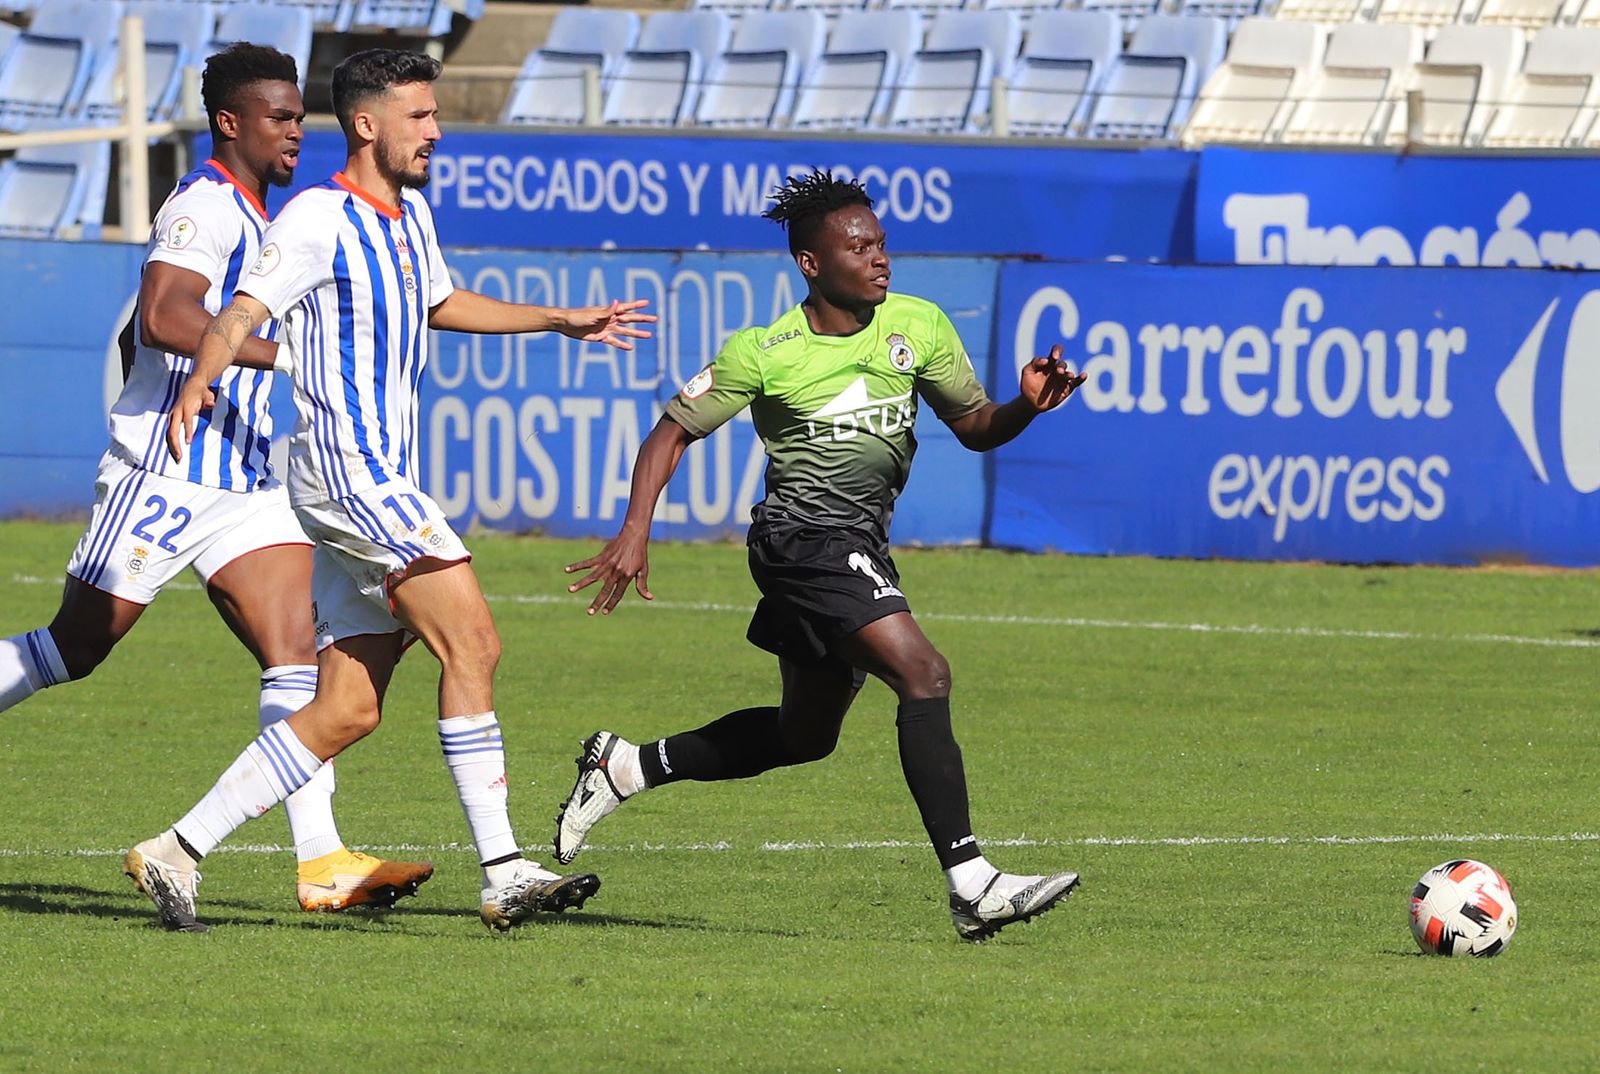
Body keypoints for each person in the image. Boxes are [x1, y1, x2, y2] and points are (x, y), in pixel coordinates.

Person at [123, 48, 657, 933]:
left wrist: (557, 319)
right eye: (420, 116)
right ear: (367, 125)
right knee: (473, 643)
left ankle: (178, 849)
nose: (437, 132)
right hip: (348, 472)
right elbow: (240, 311)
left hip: (377, 479)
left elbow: (440, 301)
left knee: (348, 706)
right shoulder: (316, 219)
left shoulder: (409, 216)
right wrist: (196, 382)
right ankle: (505, 870)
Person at [555, 169, 1087, 943]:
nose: (880, 258)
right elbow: (671, 432)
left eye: (882, 242)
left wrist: (1024, 408)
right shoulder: (765, 352)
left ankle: (627, 766)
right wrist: (637, 526)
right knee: (925, 673)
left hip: (858, 544)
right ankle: (973, 884)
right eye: (860, 245)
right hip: (801, 541)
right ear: (812, 262)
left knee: (806, 737)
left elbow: (973, 423)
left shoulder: (920, 325)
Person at [0, 44, 434, 914]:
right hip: (165, 466)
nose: (294, 134)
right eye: (278, 117)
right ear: (230, 122)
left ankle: (322, 862)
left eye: (298, 116)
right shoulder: (204, 205)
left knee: (297, 657)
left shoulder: (267, 211)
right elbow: (165, 315)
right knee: (74, 649)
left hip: (239, 473)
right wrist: (291, 352)